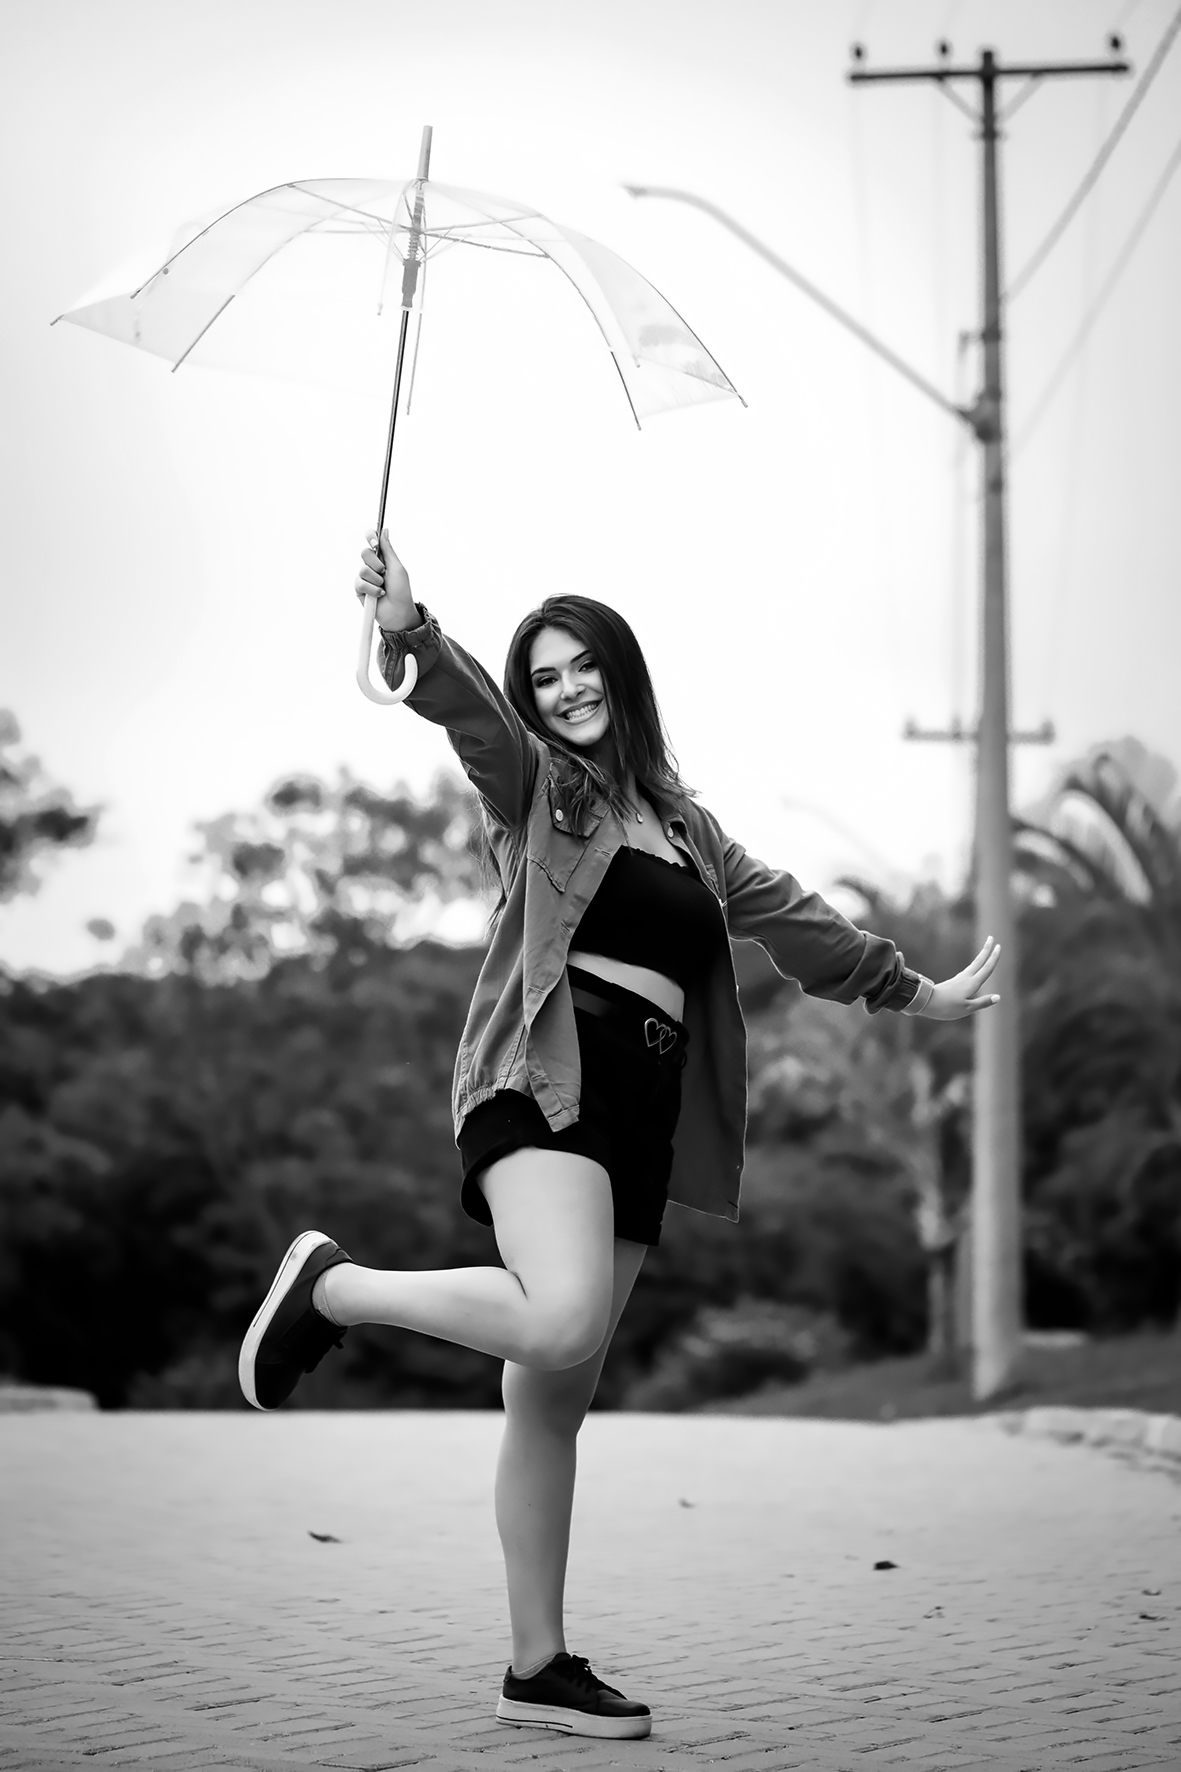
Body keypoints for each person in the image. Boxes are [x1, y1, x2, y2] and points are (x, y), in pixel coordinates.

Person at [238, 530, 1001, 1741]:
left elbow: (792, 917)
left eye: (581, 665)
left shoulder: (687, 831)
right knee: (558, 1318)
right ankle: (333, 1288)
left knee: (551, 1399)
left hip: (642, 1113)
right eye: (543, 676)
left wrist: (913, 989)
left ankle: (534, 1666)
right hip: (547, 1076)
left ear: (621, 671)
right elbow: (474, 721)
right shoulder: (543, 790)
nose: (564, 690)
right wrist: (410, 631)